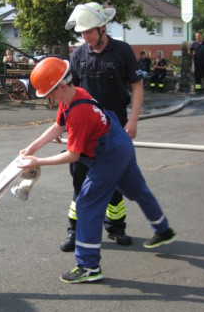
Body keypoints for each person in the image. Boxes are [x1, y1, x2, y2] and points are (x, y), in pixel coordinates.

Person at [18, 57, 177, 283]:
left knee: (86, 205)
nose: (51, 100)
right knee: (139, 191)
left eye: (51, 94)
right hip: (120, 144)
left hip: (108, 157)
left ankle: (88, 265)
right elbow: (58, 126)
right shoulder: (73, 96)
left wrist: (38, 162)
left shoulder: (79, 113)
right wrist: (32, 148)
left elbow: (73, 155)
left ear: (61, 87)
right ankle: (163, 229)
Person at [60, 2, 144, 252]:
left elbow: (137, 86)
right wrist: (62, 124)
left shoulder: (123, 52)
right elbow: (68, 93)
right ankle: (74, 230)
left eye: (89, 32)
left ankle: (116, 227)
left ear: (103, 27)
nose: (85, 36)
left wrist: (133, 120)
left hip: (115, 130)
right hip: (83, 132)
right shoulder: (78, 56)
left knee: (115, 181)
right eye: (82, 32)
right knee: (80, 182)